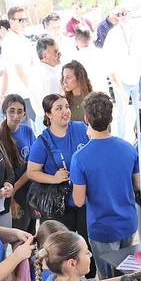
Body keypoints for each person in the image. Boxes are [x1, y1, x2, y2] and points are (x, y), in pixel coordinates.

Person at [70, 94, 141, 255]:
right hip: (128, 222)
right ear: (110, 119)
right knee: (127, 275)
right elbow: (138, 184)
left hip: (102, 228)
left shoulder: (80, 158)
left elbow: (78, 200)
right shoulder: (127, 148)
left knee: (108, 279)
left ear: (86, 119)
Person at [27, 94, 92, 235]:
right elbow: (31, 172)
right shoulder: (42, 142)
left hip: (85, 200)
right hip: (60, 205)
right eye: (59, 108)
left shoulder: (82, 129)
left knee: (86, 245)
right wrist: (54, 178)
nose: (65, 111)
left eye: (67, 107)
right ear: (48, 114)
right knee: (64, 247)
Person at [0, 95, 36, 223]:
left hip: (28, 185)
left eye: (19, 112)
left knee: (32, 227)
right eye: (11, 111)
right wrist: (12, 195)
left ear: (24, 114)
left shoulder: (27, 131)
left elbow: (34, 162)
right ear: (4, 112)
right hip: (10, 190)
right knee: (19, 229)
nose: (15, 116)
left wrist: (18, 186)